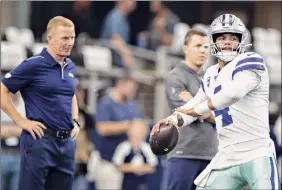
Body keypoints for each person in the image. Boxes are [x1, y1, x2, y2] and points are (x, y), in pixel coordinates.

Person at [151, 14, 281, 189]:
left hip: (256, 152)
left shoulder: (251, 62)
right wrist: (173, 120)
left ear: (242, 41)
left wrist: (198, 110)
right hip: (226, 155)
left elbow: (232, 94)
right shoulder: (211, 74)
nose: (227, 42)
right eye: (222, 37)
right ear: (213, 41)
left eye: (233, 37)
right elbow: (194, 103)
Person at [1, 16, 80, 190]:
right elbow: (2, 90)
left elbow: (71, 94)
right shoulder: (33, 65)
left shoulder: (70, 66)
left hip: (66, 143)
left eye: (72, 37)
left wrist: (75, 120)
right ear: (50, 38)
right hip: (40, 140)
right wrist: (20, 121)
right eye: (65, 38)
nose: (69, 43)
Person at [163, 29, 218, 190]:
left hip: (210, 155)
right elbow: (184, 110)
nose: (203, 50)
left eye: (206, 47)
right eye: (198, 45)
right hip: (184, 153)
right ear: (185, 48)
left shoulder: (212, 79)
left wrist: (196, 105)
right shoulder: (176, 76)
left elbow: (224, 115)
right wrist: (209, 108)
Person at [93, 76, 143, 190]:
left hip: (129, 166)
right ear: (120, 85)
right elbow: (102, 128)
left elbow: (140, 125)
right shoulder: (106, 103)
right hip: (109, 163)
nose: (132, 91)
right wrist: (128, 125)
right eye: (130, 88)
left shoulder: (132, 105)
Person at [112, 120, 158, 190]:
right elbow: (117, 166)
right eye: (135, 131)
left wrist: (142, 168)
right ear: (128, 132)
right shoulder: (123, 147)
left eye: (141, 132)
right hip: (126, 183)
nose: (138, 134)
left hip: (143, 183)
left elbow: (152, 167)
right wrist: (133, 168)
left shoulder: (147, 148)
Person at [100, 1, 136, 68]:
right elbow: (115, 39)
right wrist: (126, 55)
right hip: (111, 65)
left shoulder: (123, 18)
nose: (134, 2)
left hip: (119, 65)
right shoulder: (115, 17)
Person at [1, 92, 24, 190]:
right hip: (2, 155)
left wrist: (6, 129)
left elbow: (30, 131)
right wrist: (20, 127)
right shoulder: (2, 105)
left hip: (20, 156)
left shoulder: (26, 106)